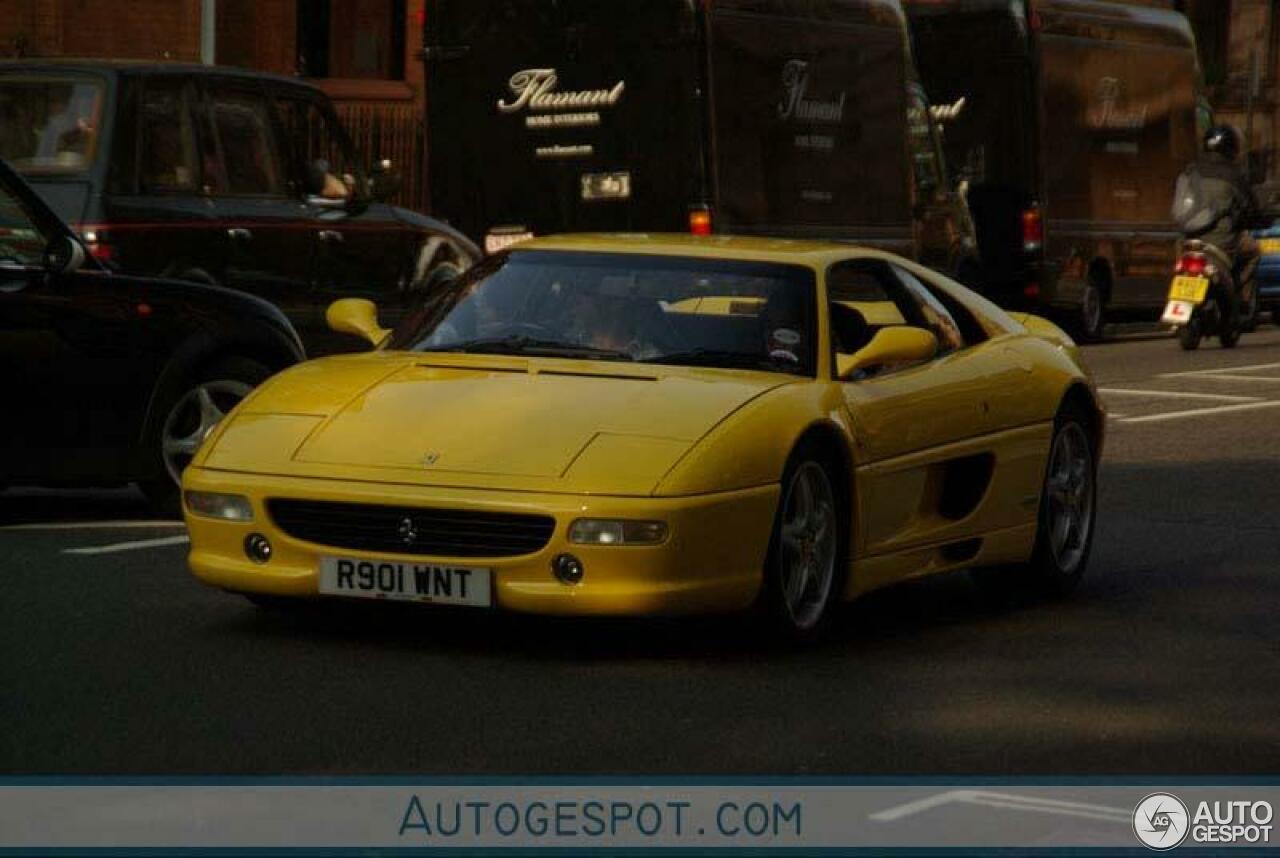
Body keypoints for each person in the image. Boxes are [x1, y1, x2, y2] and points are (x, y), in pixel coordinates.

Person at [1179, 125, 1261, 312]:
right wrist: (1252, 218)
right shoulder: (1234, 175)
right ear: (1232, 148)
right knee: (1254, 252)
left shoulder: (1191, 171)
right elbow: (1250, 206)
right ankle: (1239, 295)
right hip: (1223, 239)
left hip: (1189, 239)